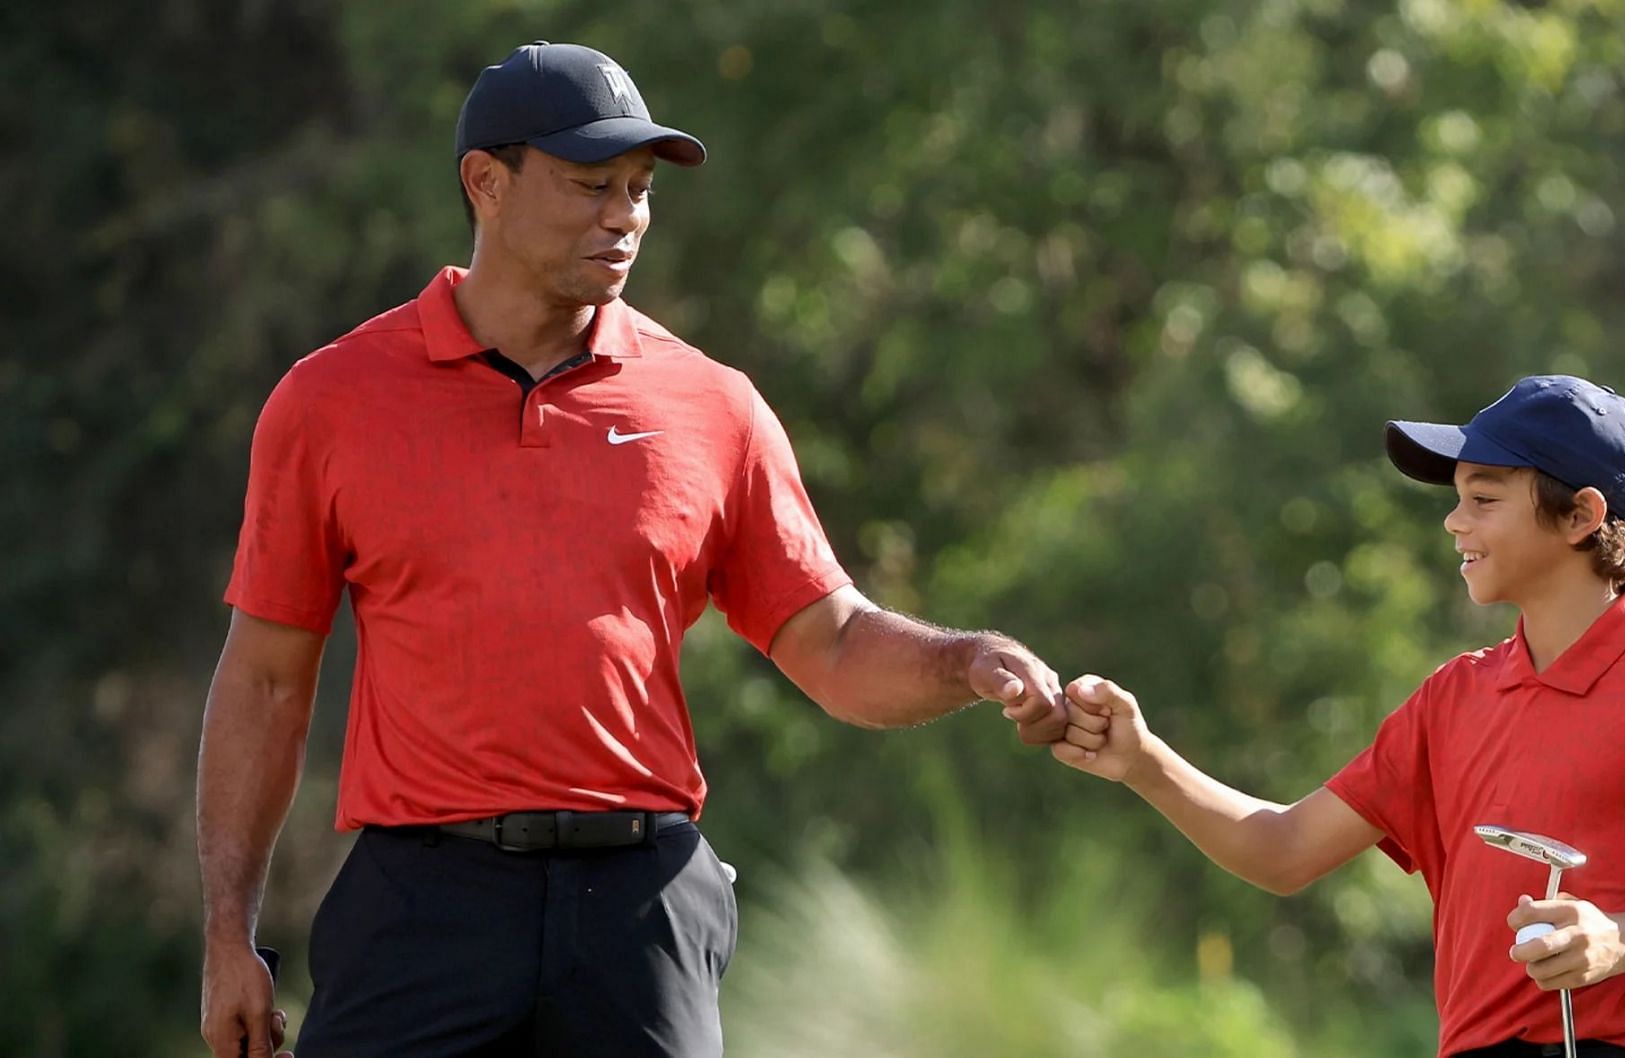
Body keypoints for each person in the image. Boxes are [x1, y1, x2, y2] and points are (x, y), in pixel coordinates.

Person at [196, 41, 1106, 1058]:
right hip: (423, 900)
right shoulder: (330, 402)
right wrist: (228, 931)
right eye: (591, 185)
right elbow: (268, 682)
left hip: (637, 902)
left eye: (637, 189)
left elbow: (837, 645)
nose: (624, 213)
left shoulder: (712, 404)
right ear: (485, 184)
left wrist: (967, 661)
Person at [1053, 376, 1625, 1057]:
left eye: (1484, 500)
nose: (1455, 523)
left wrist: (1623, 941)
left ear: (1582, 515)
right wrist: (1143, 761)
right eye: (1456, 500)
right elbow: (1283, 851)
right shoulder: (1453, 697)